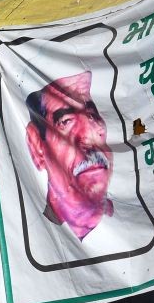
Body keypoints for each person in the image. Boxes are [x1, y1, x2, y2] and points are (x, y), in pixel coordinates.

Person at [25, 70, 114, 241]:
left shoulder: (131, 217)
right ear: (37, 146)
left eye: (92, 116)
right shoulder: (40, 239)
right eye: (66, 121)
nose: (90, 136)